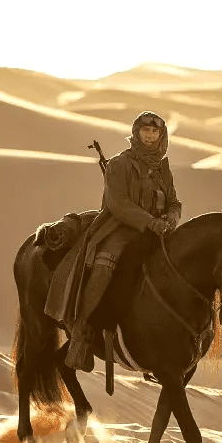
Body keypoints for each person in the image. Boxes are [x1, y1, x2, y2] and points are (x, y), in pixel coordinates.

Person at [63, 111, 182, 371]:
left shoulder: (162, 167)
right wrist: (150, 222)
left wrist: (171, 220)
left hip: (158, 230)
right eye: (145, 131)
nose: (150, 136)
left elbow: (173, 201)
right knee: (105, 265)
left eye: (155, 132)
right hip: (119, 228)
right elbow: (118, 204)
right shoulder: (119, 164)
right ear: (136, 132)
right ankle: (82, 333)